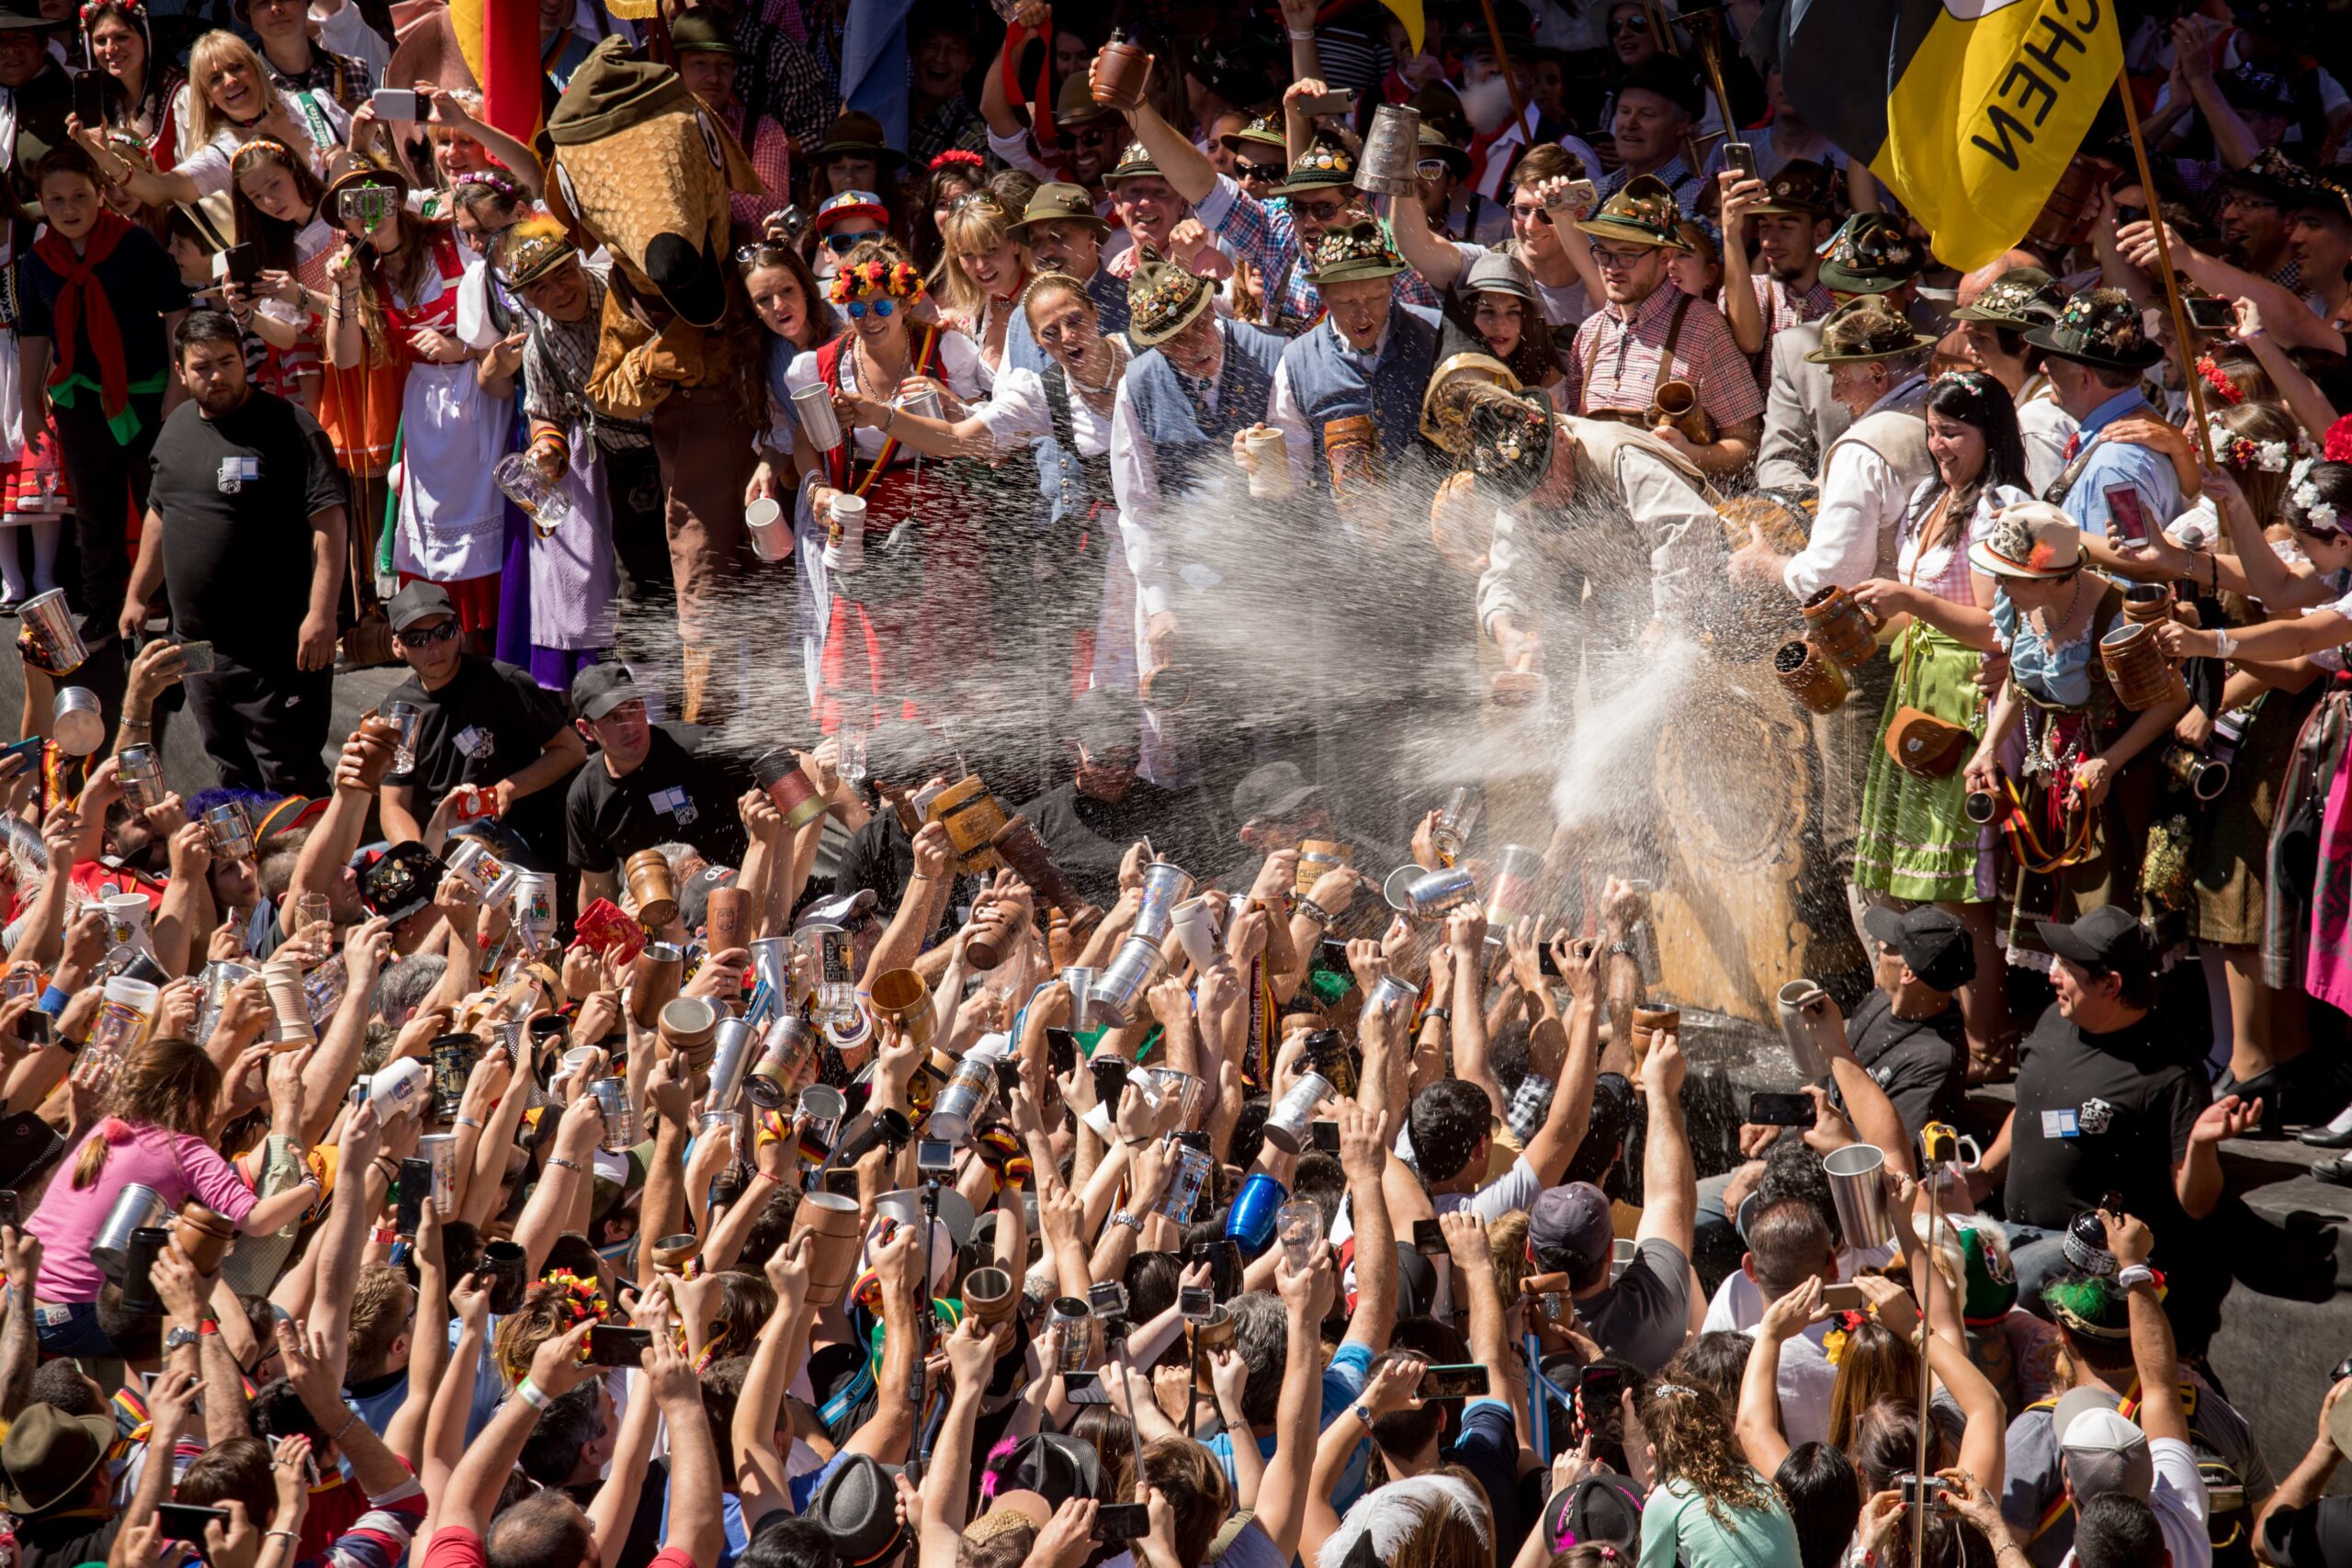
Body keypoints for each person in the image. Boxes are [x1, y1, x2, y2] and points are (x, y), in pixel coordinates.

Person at [1844, 367, 2026, 1067]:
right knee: (1915, 878)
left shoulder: (1998, 508)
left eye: (1953, 431)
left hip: (1967, 698)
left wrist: (1911, 603)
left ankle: (1988, 1041)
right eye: (1932, 430)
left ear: (1991, 436)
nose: (1939, 444)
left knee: (1963, 888)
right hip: (1918, 689)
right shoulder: (1932, 497)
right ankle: (1941, 1023)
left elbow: (1993, 629)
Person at [1969, 905, 2243, 1305]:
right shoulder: (2055, 1020)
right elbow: (2034, 1109)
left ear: (2111, 984)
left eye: (2067, 967)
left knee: (2004, 1287)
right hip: (2015, 1232)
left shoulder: (2171, 1071)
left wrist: (2201, 1144)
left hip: (2091, 1261)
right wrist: (1984, 1174)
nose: (2051, 975)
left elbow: (2197, 1205)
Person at [127, 310, 343, 794]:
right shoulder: (176, 428)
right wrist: (138, 595)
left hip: (276, 649)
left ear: (244, 359)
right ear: (181, 372)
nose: (217, 375)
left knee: (291, 773)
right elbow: (160, 514)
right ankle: (246, 870)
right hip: (198, 650)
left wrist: (322, 615)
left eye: (227, 361)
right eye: (202, 367)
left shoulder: (290, 427)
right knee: (230, 770)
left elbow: (329, 523)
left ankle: (310, 870)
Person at [1961, 504, 2185, 966]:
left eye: (2010, 576)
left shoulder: (2117, 615)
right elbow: (2018, 684)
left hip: (2115, 790)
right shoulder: (2020, 605)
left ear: (2051, 579)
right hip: (2052, 782)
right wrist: (1987, 748)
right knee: (2060, 933)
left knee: (2105, 935)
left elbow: (2173, 700)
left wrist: (2109, 761)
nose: (1999, 586)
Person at [18, 143, 190, 708]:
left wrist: (176, 384)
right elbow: (34, 337)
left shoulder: (135, 244)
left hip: (144, 396)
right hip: (78, 397)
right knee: (94, 512)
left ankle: (174, 615)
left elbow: (177, 314)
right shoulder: (35, 262)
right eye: (56, 199)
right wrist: (27, 400)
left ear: (100, 193)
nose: (69, 208)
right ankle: (101, 613)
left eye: (80, 196)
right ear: (41, 205)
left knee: (160, 502)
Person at [376, 581, 584, 874]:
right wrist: (420, 860)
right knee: (359, 864)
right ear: (397, 645)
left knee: (469, 834)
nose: (434, 647)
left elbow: (571, 750)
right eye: (417, 639)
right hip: (438, 840)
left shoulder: (504, 682)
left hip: (509, 839)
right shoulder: (400, 709)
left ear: (460, 631)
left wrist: (508, 789)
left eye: (443, 632)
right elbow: (393, 806)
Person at [1564, 175, 1762, 477]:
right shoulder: (1589, 332)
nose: (1612, 267)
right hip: (1596, 516)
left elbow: (1748, 446)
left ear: (1664, 258)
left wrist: (1690, 455)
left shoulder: (1704, 329)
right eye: (1603, 253)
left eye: (1627, 255)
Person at [561, 662, 753, 908]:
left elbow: (782, 764)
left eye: (633, 708)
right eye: (614, 718)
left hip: (731, 900)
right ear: (586, 730)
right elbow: (597, 890)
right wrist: (598, 941)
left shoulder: (695, 747)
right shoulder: (585, 795)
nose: (629, 726)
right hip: (652, 920)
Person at [2024, 288, 2188, 537]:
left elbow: (2129, 565)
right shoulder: (2119, 446)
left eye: (2053, 362)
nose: (2043, 368)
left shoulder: (2114, 466)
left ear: (2084, 380)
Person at [1949, 265, 2073, 495]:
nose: (1969, 351)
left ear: (2023, 343)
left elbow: (2043, 513)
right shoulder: (2037, 403)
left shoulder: (2037, 420)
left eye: (1982, 338)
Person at [1716, 159, 1838, 358]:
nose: (1768, 242)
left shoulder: (1845, 299)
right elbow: (1750, 342)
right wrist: (1731, 236)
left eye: (1786, 227)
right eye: (1764, 226)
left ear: (1821, 232)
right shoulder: (1757, 291)